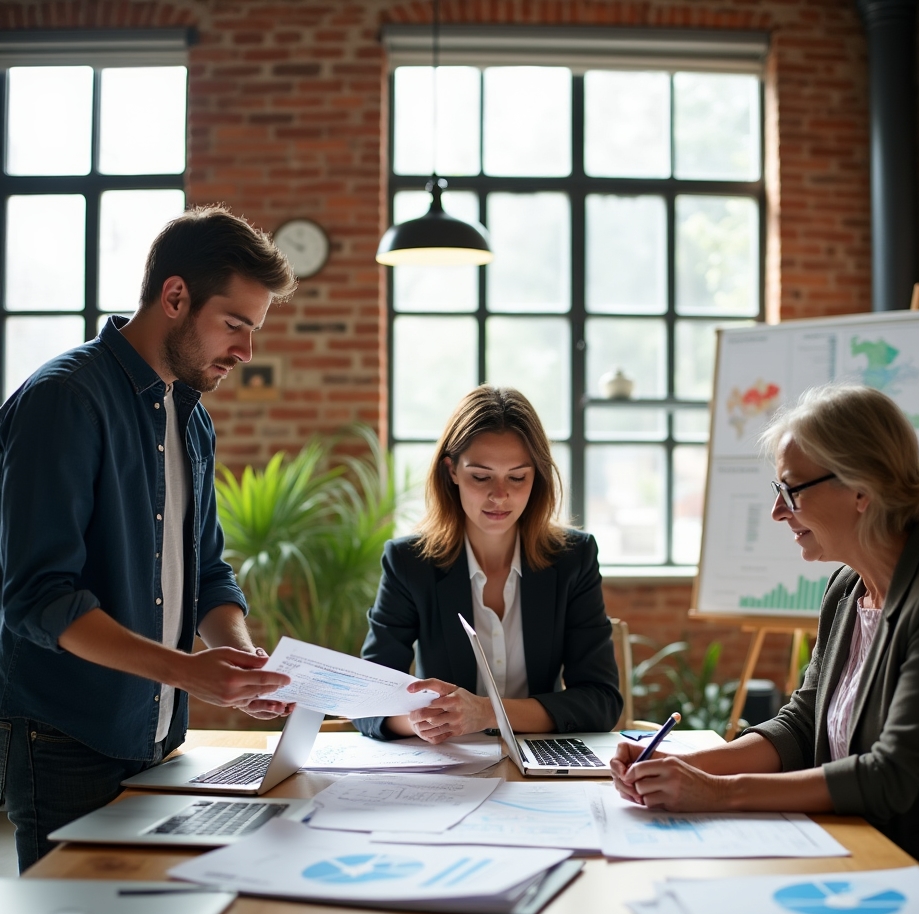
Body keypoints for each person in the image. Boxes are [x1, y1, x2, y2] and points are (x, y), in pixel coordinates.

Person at [611, 385, 919, 914]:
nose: (778, 511)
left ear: (861, 489)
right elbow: (802, 725)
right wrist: (680, 769)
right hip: (866, 863)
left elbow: (893, 774)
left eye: (792, 490)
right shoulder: (848, 588)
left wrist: (718, 793)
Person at [0, 206, 298, 871]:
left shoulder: (191, 420)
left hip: (156, 736)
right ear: (174, 296)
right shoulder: (64, 400)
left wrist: (241, 662)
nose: (246, 353)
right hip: (63, 740)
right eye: (235, 326)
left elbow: (210, 575)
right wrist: (188, 671)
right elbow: (39, 599)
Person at [354, 385, 622, 743]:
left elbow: (601, 701)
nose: (500, 495)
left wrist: (485, 713)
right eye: (481, 477)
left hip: (540, 758)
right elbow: (368, 700)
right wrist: (419, 721)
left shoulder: (574, 558)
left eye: (517, 477)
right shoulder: (409, 563)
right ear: (451, 471)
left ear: (537, 476)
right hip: (450, 761)